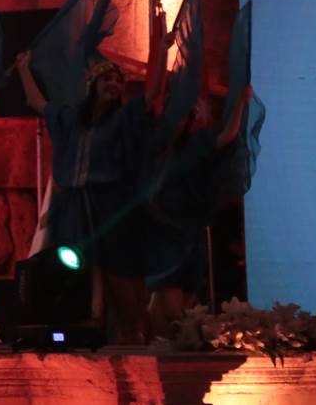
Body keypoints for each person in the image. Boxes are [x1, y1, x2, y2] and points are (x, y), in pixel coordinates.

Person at [16, 50, 164, 344]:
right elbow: (36, 102)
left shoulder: (121, 118)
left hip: (108, 205)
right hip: (72, 207)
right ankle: (85, 329)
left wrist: (162, 53)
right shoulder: (70, 119)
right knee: (76, 269)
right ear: (93, 84)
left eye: (118, 81)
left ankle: (130, 334)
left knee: (116, 271)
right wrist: (23, 68)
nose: (114, 84)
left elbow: (153, 94)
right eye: (107, 79)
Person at [146, 87, 255, 322]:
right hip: (165, 235)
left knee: (178, 301)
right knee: (170, 301)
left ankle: (155, 337)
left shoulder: (195, 145)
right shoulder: (157, 150)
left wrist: (240, 104)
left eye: (183, 115)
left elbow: (226, 137)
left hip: (190, 233)